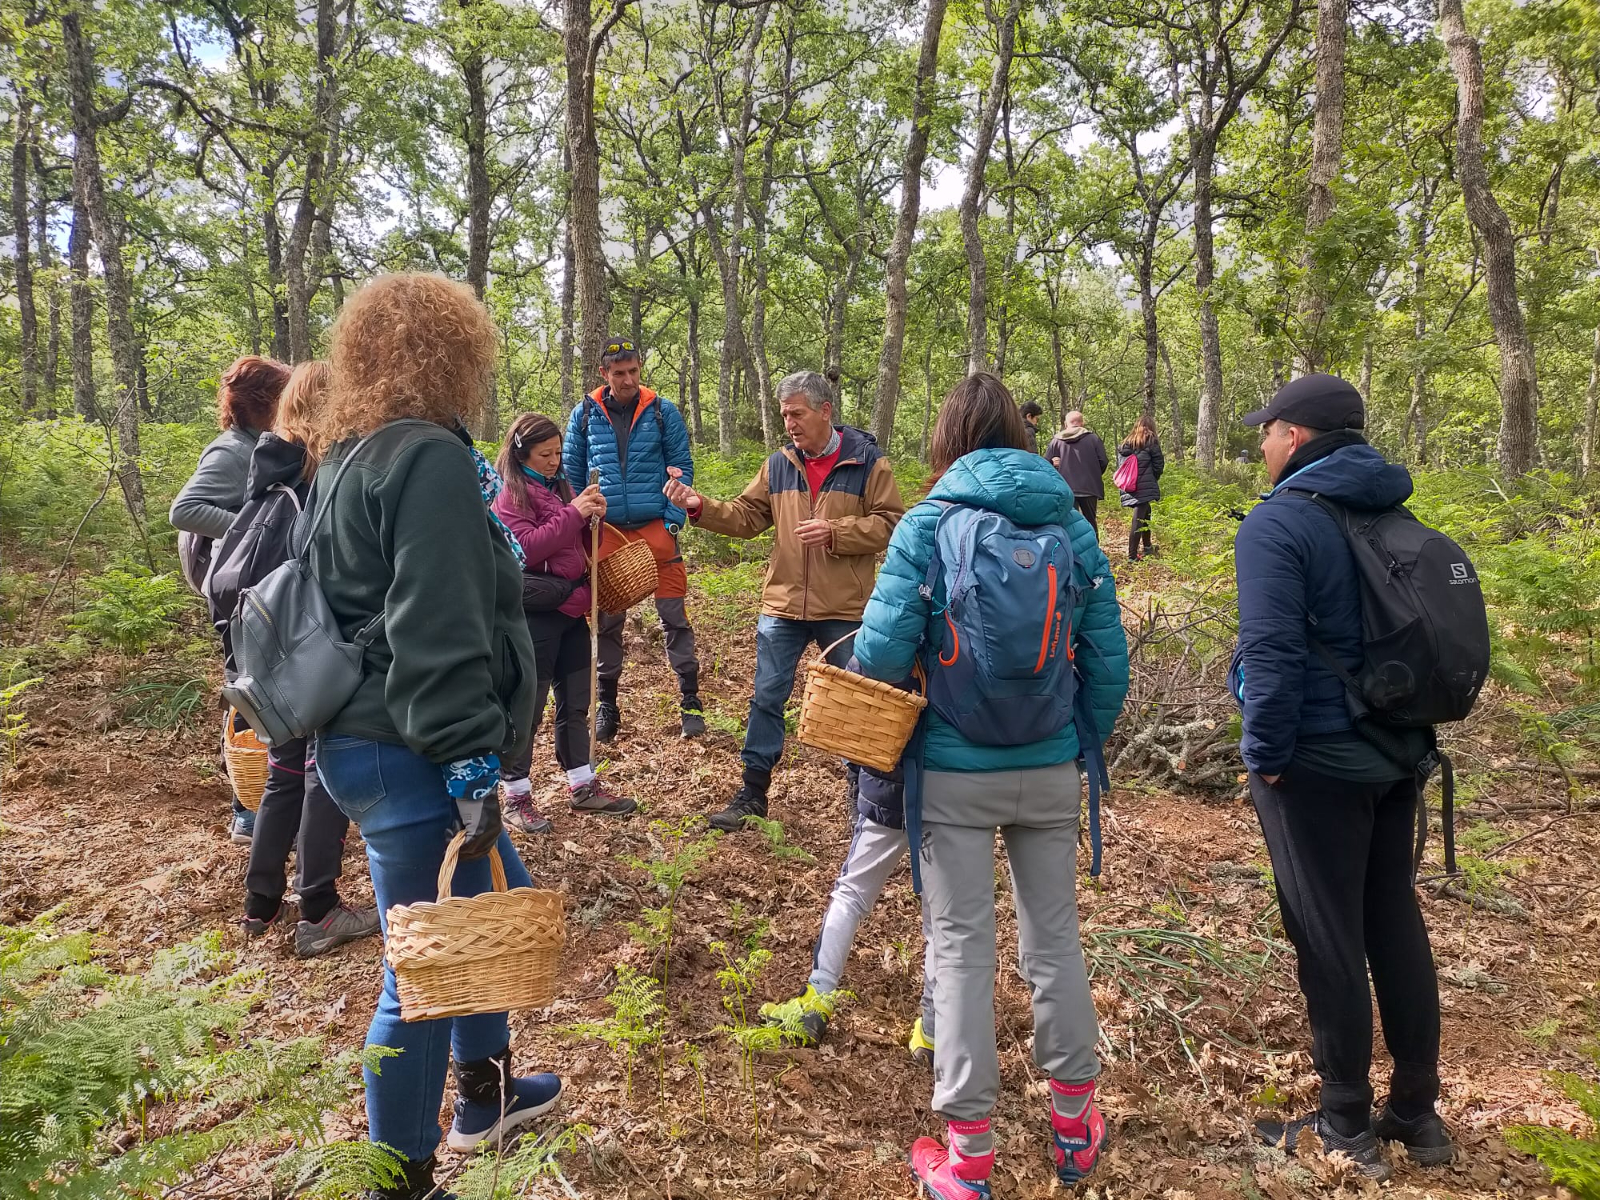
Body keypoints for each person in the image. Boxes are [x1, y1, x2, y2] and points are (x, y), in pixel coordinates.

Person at [305, 273, 557, 1200]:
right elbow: (438, 625)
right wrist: (471, 765)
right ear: (454, 352)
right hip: (411, 749)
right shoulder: (429, 462)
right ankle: (399, 1177)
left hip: (359, 743)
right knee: (418, 974)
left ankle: (487, 1096)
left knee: (482, 908)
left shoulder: (347, 457)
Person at [852, 373, 1129, 1196]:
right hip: (1048, 769)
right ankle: (1076, 1128)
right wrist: (1078, 740)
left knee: (961, 951)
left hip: (951, 771)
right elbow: (1107, 660)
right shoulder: (1070, 528)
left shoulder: (927, 525)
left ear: (946, 440)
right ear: (1017, 432)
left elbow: (874, 656)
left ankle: (969, 1158)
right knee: (1056, 944)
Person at [1233, 374, 1451, 1180]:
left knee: (1326, 933)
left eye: (1267, 431)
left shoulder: (1279, 524)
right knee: (1392, 917)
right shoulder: (1392, 512)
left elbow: (1274, 655)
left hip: (1316, 761)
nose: (1260, 443)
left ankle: (1345, 1121)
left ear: (1295, 437)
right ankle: (1419, 1116)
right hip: (1398, 752)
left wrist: (1266, 757)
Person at [661, 369, 904, 831]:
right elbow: (748, 516)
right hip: (784, 604)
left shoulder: (869, 462)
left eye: (797, 413)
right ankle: (753, 793)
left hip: (846, 608)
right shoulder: (779, 464)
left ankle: (866, 797)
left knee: (855, 702)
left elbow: (893, 523)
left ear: (825, 411)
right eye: (784, 415)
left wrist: (837, 532)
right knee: (767, 697)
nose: (789, 423)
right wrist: (698, 505)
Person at [204, 361, 379, 957]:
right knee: (321, 772)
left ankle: (259, 905)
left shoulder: (267, 465)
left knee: (283, 772)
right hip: (312, 647)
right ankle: (320, 909)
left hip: (266, 647)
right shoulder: (320, 476)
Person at [492, 412, 637, 832]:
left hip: (573, 606)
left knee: (576, 700)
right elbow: (527, 549)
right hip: (535, 614)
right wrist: (574, 513)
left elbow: (577, 544)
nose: (554, 461)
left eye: (557, 452)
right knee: (528, 708)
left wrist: (594, 517)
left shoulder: (559, 488)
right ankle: (517, 795)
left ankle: (582, 783)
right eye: (545, 454)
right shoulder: (510, 496)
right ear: (522, 454)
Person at [172, 354, 291, 846]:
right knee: (245, 687)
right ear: (262, 403)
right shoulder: (231, 450)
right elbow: (185, 510)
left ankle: (267, 794)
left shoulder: (261, 445)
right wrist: (252, 531)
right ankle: (245, 810)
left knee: (265, 685)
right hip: (236, 596)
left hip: (255, 590)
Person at [758, 745, 937, 1065]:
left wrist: (858, 771)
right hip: (951, 788)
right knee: (940, 919)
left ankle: (816, 1002)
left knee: (851, 893)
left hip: (892, 780)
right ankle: (934, 1034)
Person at [563, 339, 703, 742]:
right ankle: (608, 705)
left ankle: (690, 702)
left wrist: (674, 522)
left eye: (633, 371)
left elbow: (682, 467)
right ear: (604, 374)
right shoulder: (585, 415)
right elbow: (571, 472)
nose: (627, 380)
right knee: (607, 620)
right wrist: (580, 521)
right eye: (619, 373)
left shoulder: (662, 412)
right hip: (607, 532)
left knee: (674, 616)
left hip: (656, 527)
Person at [1046, 411, 1109, 535]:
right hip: (1089, 487)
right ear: (1082, 423)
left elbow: (1046, 464)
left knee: (1070, 524)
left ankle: (1072, 552)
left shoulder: (1056, 441)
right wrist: (1093, 474)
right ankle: (1093, 552)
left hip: (1066, 488)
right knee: (1090, 522)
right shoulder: (1093, 439)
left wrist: (1054, 466)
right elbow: (1103, 461)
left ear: (1065, 424)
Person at [1116, 413, 1164, 562]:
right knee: (1138, 520)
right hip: (1143, 486)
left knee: (1146, 514)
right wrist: (1151, 479)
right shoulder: (1151, 441)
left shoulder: (1126, 444)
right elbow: (1158, 465)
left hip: (1129, 485)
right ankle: (1132, 556)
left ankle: (1148, 547)